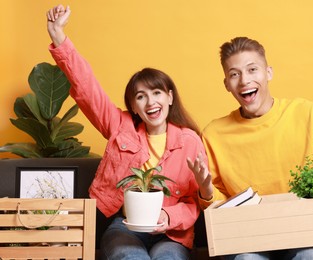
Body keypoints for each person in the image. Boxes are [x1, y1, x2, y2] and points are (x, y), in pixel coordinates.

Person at [187, 37, 313, 260]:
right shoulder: (213, 134)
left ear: (268, 73)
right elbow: (219, 208)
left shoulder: (308, 114)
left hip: (304, 235)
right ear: (226, 83)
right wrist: (206, 190)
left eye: (252, 69)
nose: (244, 80)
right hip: (247, 240)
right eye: (234, 74)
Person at [46, 5, 206, 260]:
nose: (150, 102)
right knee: (130, 257)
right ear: (133, 105)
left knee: (169, 258)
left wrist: (168, 217)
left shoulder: (190, 141)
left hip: (171, 233)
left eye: (156, 93)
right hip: (125, 227)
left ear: (170, 97)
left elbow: (194, 201)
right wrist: (58, 35)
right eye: (140, 96)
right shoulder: (120, 127)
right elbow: (87, 89)